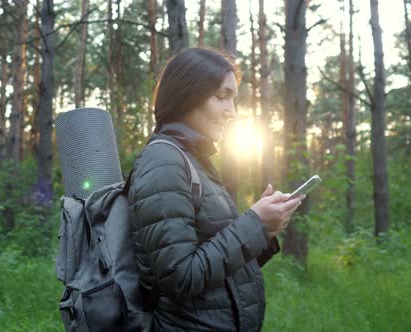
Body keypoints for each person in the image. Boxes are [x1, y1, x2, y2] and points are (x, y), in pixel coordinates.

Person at [127, 47, 305, 332]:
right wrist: (254, 223)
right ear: (188, 94)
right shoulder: (163, 161)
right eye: (222, 97)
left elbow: (219, 274)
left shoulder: (194, 161)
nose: (231, 112)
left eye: (233, 99)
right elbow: (180, 278)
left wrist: (263, 231)